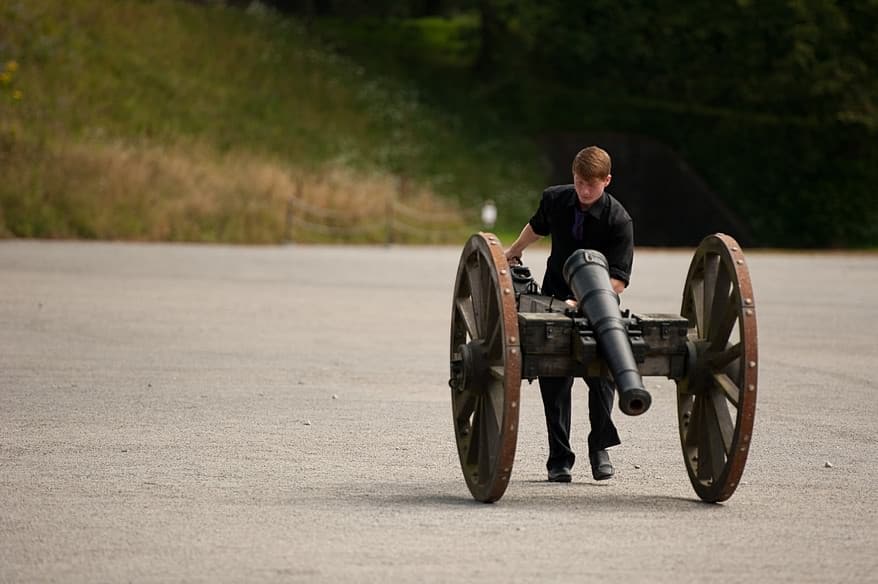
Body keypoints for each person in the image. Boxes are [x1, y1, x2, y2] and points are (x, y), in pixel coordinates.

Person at [504, 146, 634, 483]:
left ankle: (599, 448)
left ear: (607, 181)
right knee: (553, 378)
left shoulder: (618, 220)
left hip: (598, 303)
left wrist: (588, 300)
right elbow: (537, 227)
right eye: (579, 183)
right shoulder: (555, 199)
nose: (584, 191)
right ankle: (559, 458)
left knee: (602, 374)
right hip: (554, 295)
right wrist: (514, 251)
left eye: (592, 184)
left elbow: (619, 280)